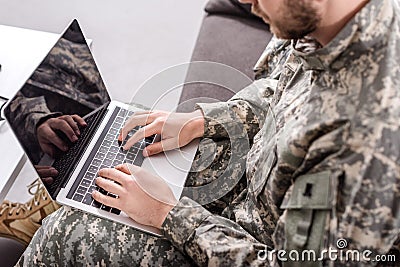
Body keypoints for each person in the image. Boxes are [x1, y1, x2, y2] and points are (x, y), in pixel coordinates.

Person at [16, 0, 400, 266]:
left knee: (65, 232)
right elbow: (283, 89)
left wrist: (167, 214)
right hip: (262, 185)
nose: (246, 2)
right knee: (129, 144)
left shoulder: (362, 145)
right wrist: (205, 120)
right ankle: (74, 194)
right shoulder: (326, 20)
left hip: (258, 242)